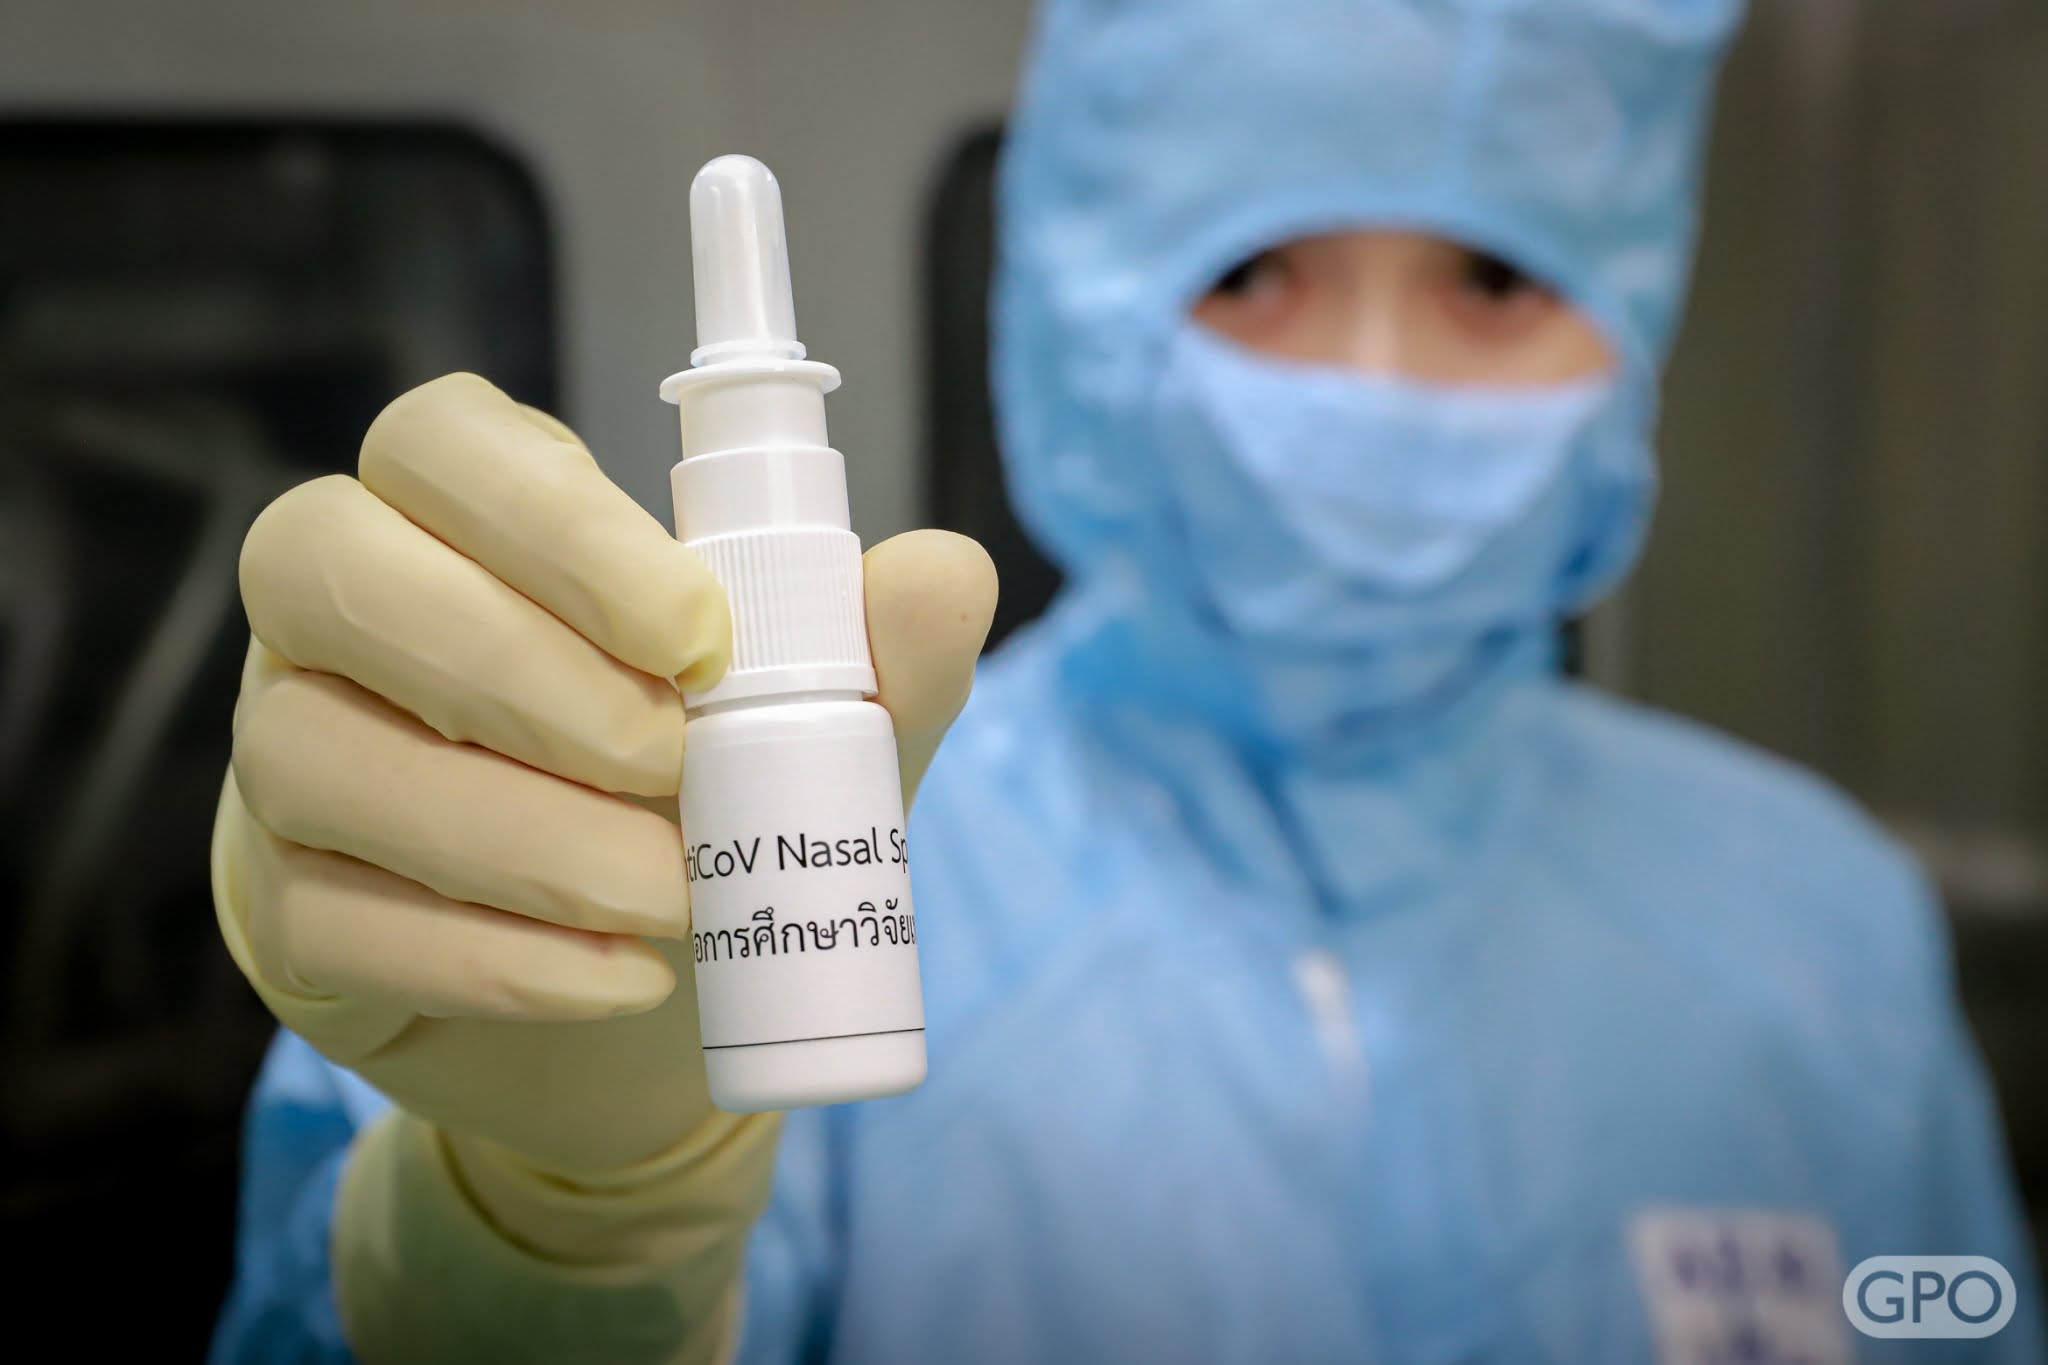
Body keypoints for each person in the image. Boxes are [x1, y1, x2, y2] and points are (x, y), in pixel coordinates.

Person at [210, 0, 2042, 1360]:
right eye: (1255, 271)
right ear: (1085, 307)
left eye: (1495, 276)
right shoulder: (811, 855)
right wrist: (550, 1228)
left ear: (1636, 310)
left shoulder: (1817, 928)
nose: (1370, 383)